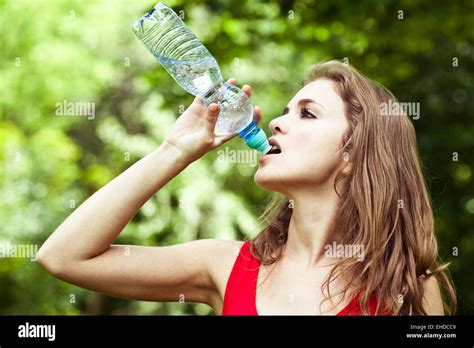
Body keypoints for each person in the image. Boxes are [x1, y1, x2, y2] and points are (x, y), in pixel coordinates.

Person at [37, 60, 456, 315]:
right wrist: (174, 150)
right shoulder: (225, 266)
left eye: (307, 114)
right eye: (285, 109)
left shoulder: (407, 288)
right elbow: (63, 257)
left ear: (352, 153)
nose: (276, 121)